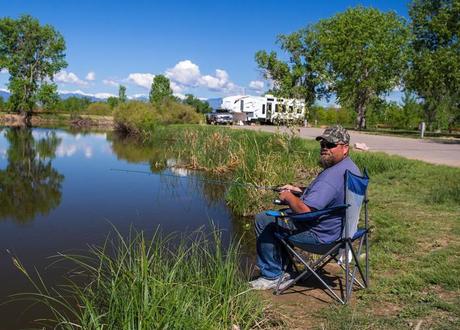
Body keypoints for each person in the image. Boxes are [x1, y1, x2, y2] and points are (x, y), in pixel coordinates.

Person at [250, 125, 361, 290]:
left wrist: (288, 197)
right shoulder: (350, 168)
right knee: (278, 218)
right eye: (322, 144)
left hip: (322, 238)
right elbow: (329, 195)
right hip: (343, 232)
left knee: (264, 219)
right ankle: (283, 269)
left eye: (330, 145)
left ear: (345, 148)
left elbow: (305, 211)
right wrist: (298, 190)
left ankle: (273, 275)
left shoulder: (331, 176)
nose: (324, 149)